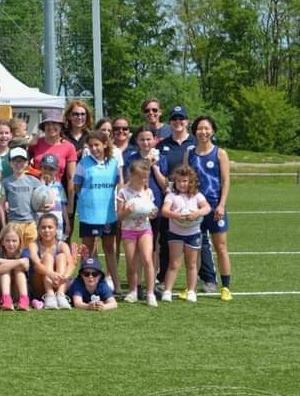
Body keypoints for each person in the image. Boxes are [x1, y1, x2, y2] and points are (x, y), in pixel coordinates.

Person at [157, 105, 217, 292]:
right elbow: (161, 172)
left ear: (187, 121)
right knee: (168, 240)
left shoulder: (195, 142)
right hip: (172, 197)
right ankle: (164, 280)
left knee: (202, 240)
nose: (178, 121)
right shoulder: (162, 145)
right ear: (170, 121)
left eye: (181, 118)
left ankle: (208, 279)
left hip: (194, 198)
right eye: (174, 118)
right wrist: (168, 191)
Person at [187, 115, 234, 301]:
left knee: (220, 247)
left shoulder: (220, 153)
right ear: (194, 131)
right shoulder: (189, 153)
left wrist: (222, 204)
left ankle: (225, 287)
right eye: (199, 128)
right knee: (194, 248)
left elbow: (225, 180)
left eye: (206, 128)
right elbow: (185, 180)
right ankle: (193, 287)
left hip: (215, 208)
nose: (203, 132)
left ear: (212, 130)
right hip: (196, 208)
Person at [73, 130, 122, 288]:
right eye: (91, 145)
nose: (94, 148)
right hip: (89, 215)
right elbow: (77, 186)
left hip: (108, 215)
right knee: (88, 251)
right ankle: (85, 285)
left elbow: (118, 185)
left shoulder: (113, 163)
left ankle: (117, 285)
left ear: (105, 144)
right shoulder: (83, 163)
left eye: (97, 145)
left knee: (109, 250)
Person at [160, 165, 211, 303]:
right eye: (179, 181)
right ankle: (168, 291)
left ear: (191, 182)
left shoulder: (197, 195)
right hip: (175, 233)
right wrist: (175, 215)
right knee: (174, 263)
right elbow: (164, 211)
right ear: (175, 182)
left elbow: (207, 207)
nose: (182, 184)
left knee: (192, 264)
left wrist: (196, 213)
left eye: (185, 181)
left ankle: (191, 291)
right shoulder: (172, 195)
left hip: (193, 233)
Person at [117, 159, 158, 306]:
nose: (144, 180)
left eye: (146, 177)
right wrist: (127, 211)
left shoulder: (148, 192)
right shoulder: (123, 192)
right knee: (131, 262)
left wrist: (153, 213)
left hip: (145, 229)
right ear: (132, 175)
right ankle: (133, 291)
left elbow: (152, 212)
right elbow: (119, 216)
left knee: (147, 259)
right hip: (129, 230)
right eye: (141, 177)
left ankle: (150, 293)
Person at [28, 109, 77, 212]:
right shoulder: (36, 143)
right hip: (34, 192)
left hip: (57, 193)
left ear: (61, 126)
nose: (51, 127)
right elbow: (22, 165)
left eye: (55, 123)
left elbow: (71, 177)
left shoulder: (69, 147)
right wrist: (27, 143)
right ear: (43, 126)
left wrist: (70, 204)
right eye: (48, 124)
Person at [1, 147, 43, 245]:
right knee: (15, 250)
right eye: (15, 161)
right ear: (10, 163)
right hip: (13, 222)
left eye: (21, 161)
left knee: (32, 250)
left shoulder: (33, 181)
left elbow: (43, 197)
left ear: (26, 163)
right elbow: (1, 205)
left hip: (31, 222)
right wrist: (4, 224)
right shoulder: (6, 182)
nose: (18, 164)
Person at [31, 213, 72, 309]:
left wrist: (64, 276)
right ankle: (49, 295)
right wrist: (51, 274)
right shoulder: (34, 245)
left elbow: (71, 264)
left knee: (62, 256)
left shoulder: (62, 245)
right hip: (39, 284)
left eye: (50, 227)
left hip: (58, 282)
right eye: (43, 227)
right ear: (38, 229)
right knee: (47, 257)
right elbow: (36, 264)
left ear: (56, 229)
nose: (46, 231)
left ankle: (60, 295)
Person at [0, 224, 31, 311]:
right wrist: (19, 261)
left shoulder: (24, 251)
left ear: (20, 241)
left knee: (19, 272)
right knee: (5, 272)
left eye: (14, 241)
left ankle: (24, 300)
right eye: (7, 240)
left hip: (19, 289)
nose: (11, 244)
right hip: (3, 289)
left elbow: (25, 266)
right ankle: (6, 300)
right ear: (2, 241)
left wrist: (1, 261)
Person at [33, 153, 70, 240]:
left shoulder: (59, 186)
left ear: (56, 170)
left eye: (51, 169)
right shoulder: (35, 184)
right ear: (40, 168)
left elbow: (63, 205)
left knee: (56, 248)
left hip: (57, 224)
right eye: (45, 168)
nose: (47, 171)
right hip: (40, 224)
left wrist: (67, 223)